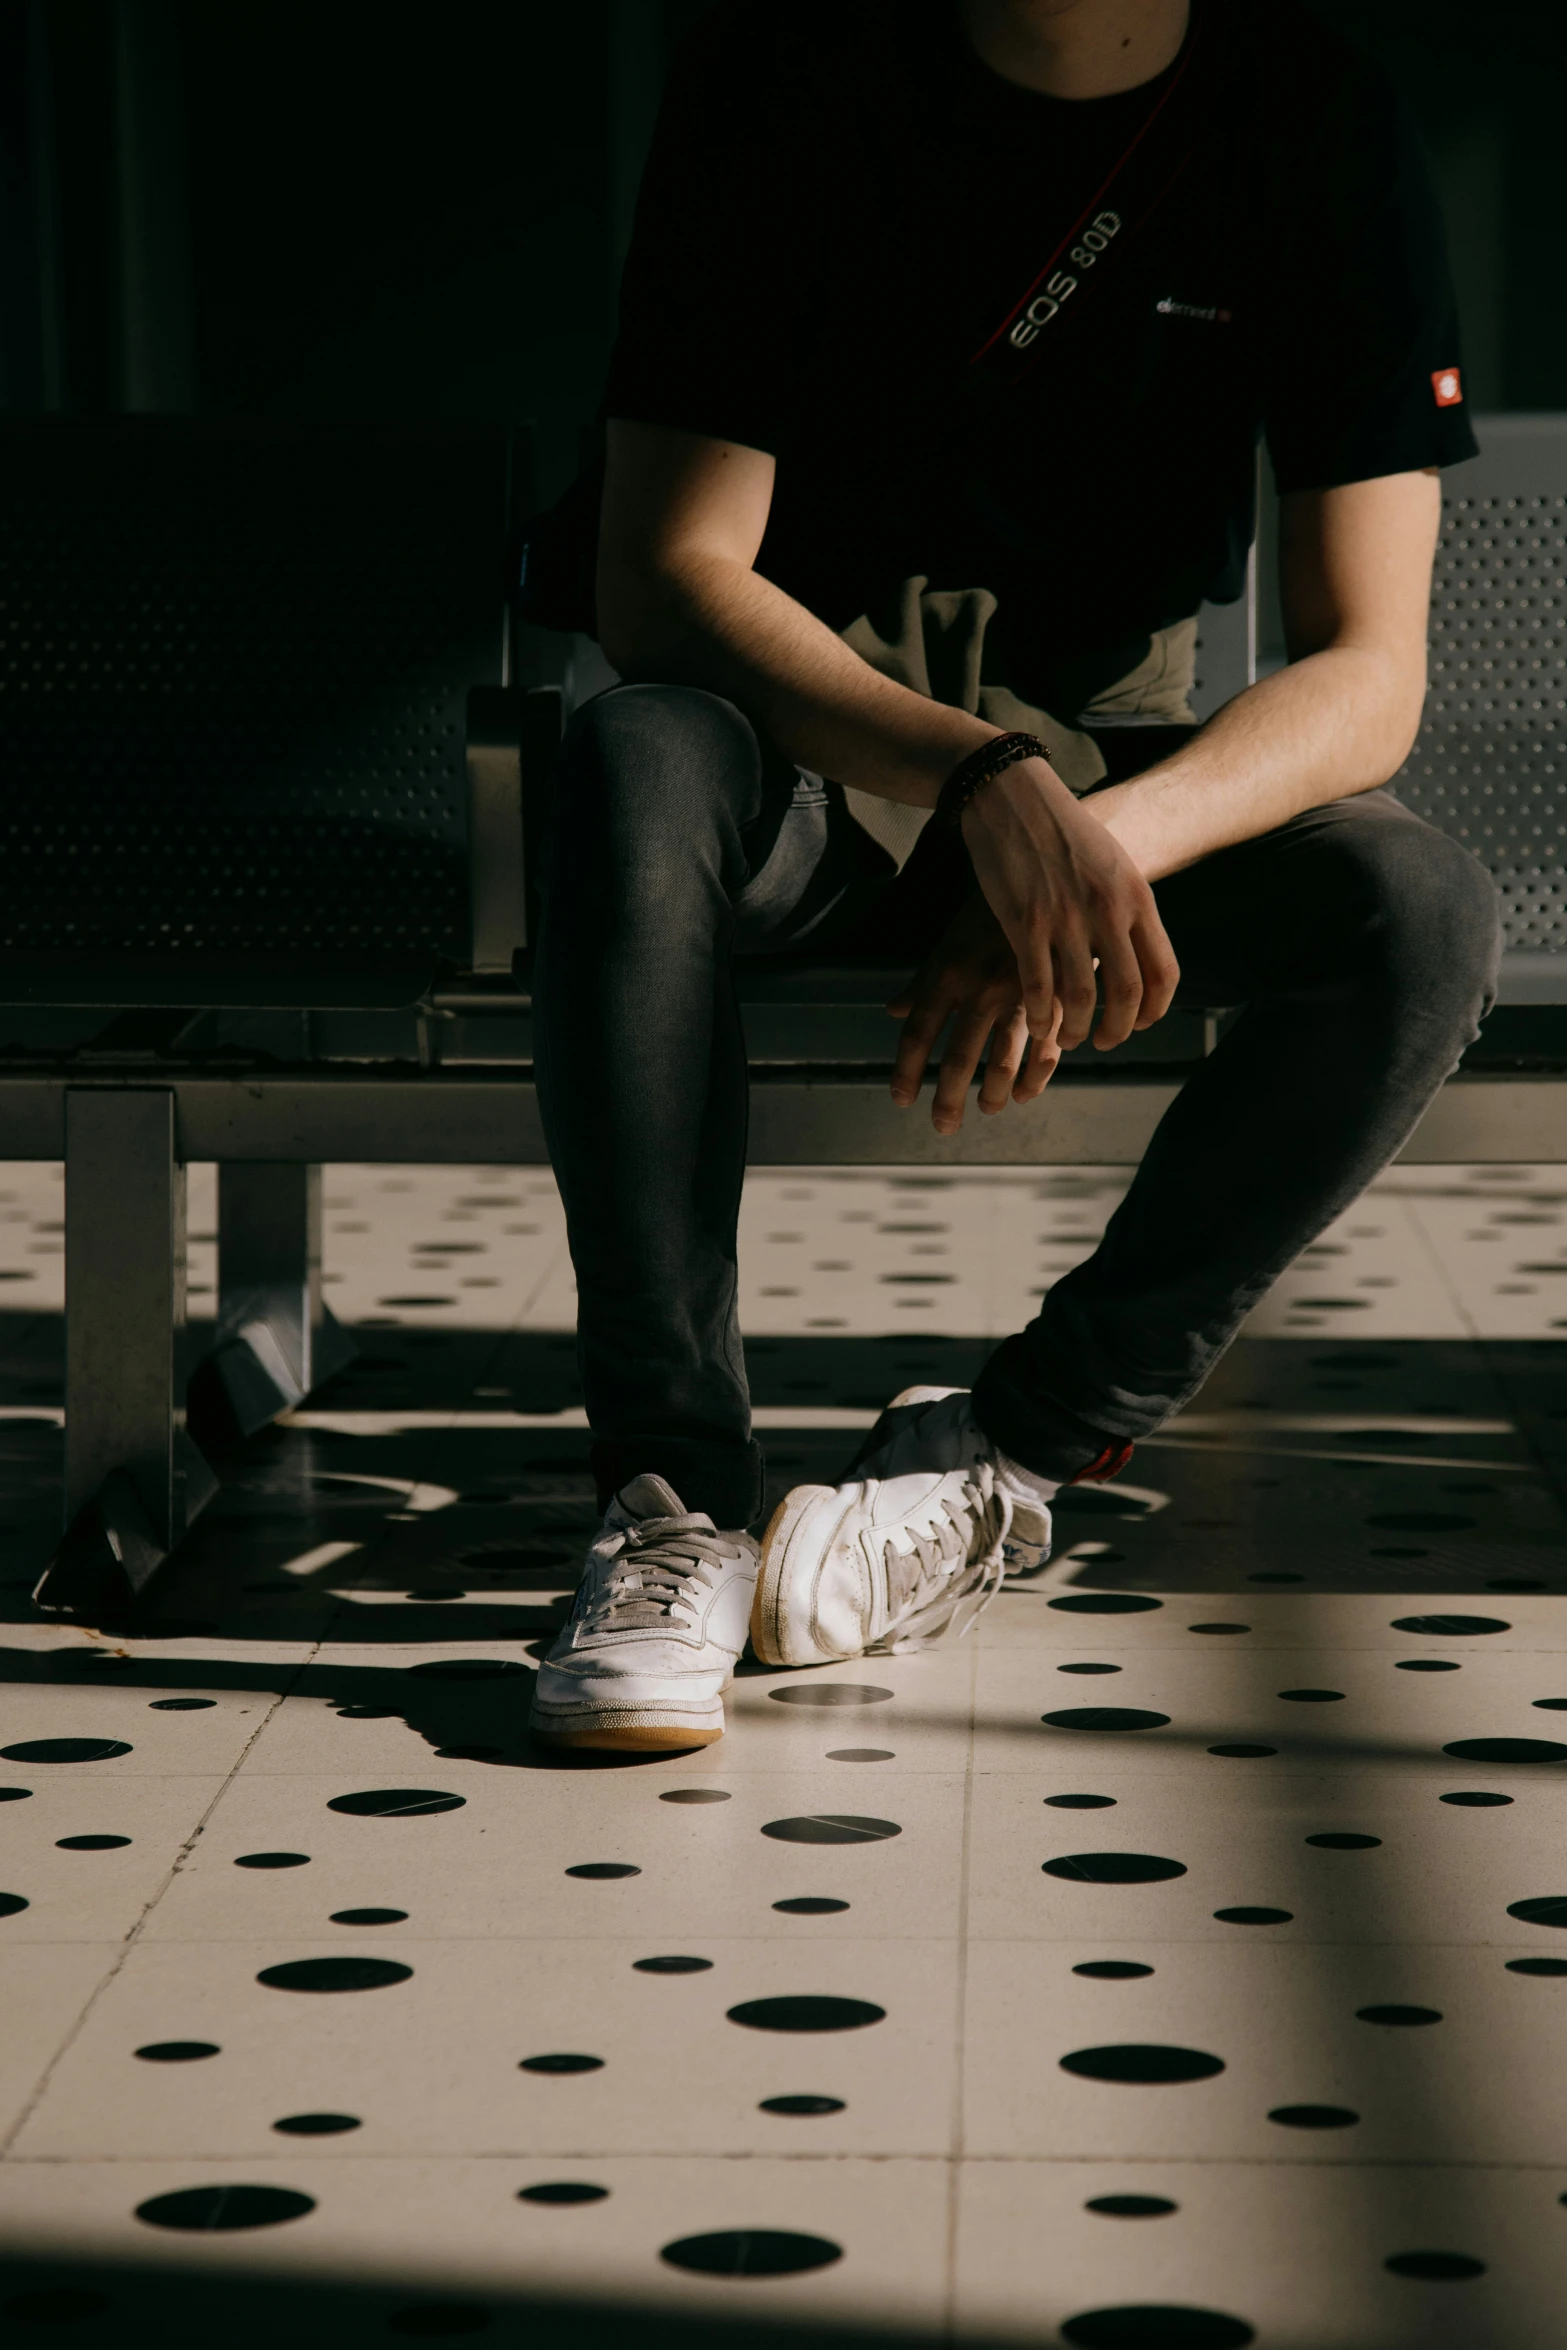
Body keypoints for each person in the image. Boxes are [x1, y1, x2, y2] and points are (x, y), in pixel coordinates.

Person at [521, 0, 1500, 1749]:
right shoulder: (784, 67)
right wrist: (973, 780)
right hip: (813, 746)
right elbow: (666, 575)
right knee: (634, 755)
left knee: (1415, 914)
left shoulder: (1311, 114)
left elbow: (1372, 673)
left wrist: (1091, 835)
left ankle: (1004, 1453)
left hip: (1110, 769)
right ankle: (668, 1500)